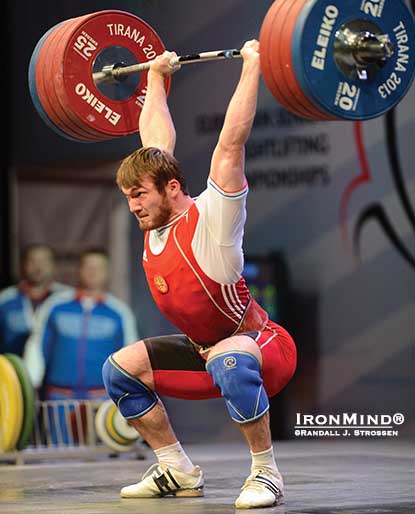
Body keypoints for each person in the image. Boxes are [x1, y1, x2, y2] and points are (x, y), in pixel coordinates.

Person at [102, 40, 297, 509]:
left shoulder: (214, 218)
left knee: (230, 359)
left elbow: (232, 140)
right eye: (128, 197)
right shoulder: (155, 216)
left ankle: (266, 473)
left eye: (139, 196)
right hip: (202, 351)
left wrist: (252, 64)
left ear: (173, 189)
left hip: (261, 348)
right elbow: (155, 139)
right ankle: (178, 468)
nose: (133, 206)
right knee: (119, 371)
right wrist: (153, 76)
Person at [24, 248, 138, 403]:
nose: (93, 272)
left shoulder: (119, 312)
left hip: (103, 399)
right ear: (79, 269)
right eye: (88, 266)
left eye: (98, 268)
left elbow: (130, 358)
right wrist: (31, 386)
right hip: (59, 397)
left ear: (108, 272)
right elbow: (36, 347)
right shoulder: (55, 305)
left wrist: (129, 396)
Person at [0, 244, 67, 356]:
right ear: (23, 265)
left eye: (44, 261)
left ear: (54, 266)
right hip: (12, 369)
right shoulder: (5, 299)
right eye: (32, 261)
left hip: (52, 372)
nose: (38, 267)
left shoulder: (65, 299)